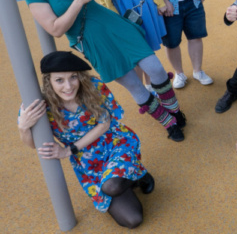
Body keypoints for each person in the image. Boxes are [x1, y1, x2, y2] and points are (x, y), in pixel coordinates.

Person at [22, 0, 186, 141]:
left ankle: (174, 109)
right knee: (134, 85)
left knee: (155, 68)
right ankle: (168, 122)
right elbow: (55, 29)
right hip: (94, 42)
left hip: (115, 26)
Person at [18, 51, 154, 228]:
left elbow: (105, 123)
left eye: (73, 77)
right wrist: (24, 128)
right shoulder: (42, 106)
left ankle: (136, 175)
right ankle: (130, 177)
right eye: (59, 80)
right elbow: (34, 145)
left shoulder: (93, 86)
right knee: (133, 220)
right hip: (89, 162)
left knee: (111, 186)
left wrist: (68, 150)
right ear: (48, 81)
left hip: (115, 143)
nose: (68, 86)